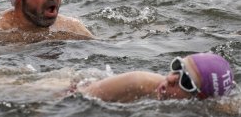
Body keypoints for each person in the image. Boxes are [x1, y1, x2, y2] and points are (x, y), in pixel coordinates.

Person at [76, 53, 235, 103]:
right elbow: (73, 97)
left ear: (201, 97)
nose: (170, 79)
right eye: (177, 67)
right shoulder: (138, 83)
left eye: (186, 81)